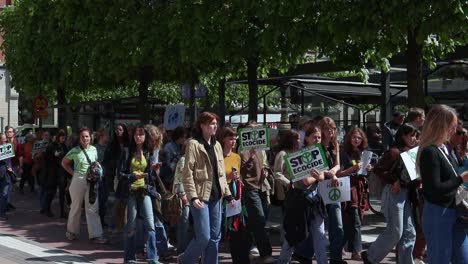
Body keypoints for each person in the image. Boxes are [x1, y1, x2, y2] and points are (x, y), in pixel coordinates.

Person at [179, 112, 234, 264]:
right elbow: (187, 173)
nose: (215, 126)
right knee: (204, 236)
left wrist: (228, 195)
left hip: (216, 197)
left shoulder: (217, 145)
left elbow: (221, 174)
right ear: (202, 126)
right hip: (201, 197)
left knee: (215, 237)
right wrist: (193, 196)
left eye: (216, 123)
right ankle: (185, 260)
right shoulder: (193, 144)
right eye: (211, 123)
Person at [416, 105, 468, 263]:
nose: (454, 129)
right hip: (439, 213)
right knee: (441, 259)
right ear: (441, 125)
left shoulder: (444, 149)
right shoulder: (430, 152)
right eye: (452, 126)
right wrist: (461, 178)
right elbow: (435, 189)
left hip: (455, 212)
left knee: (462, 257)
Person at [362, 123, 419, 264]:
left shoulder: (413, 152)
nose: (414, 138)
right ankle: (370, 256)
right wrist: (394, 180)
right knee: (396, 231)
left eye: (415, 135)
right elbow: (378, 169)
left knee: (409, 233)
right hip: (394, 193)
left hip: (406, 194)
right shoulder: (394, 152)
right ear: (403, 135)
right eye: (411, 135)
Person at [278, 126, 328, 264]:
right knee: (295, 234)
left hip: (315, 199)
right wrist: (317, 177)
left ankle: (322, 261)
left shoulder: (319, 153)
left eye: (319, 137)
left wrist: (319, 176)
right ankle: (283, 260)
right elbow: (305, 181)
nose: (317, 140)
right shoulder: (297, 155)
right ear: (306, 138)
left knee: (320, 234)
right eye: (314, 137)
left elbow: (323, 174)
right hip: (300, 200)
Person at [117, 124, 161, 264]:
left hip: (145, 191)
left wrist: (153, 170)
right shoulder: (126, 151)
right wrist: (133, 177)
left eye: (141, 134)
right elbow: (120, 174)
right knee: (131, 225)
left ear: (145, 136)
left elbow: (151, 177)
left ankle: (152, 257)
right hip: (131, 191)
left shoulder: (149, 152)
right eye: (136, 134)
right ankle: (130, 258)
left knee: (150, 223)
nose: (138, 137)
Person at [61, 127, 107, 243]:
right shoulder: (75, 150)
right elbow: (64, 163)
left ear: (90, 137)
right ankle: (71, 232)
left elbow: (95, 163)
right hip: (79, 179)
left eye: (87, 136)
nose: (85, 138)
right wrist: (73, 174)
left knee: (92, 207)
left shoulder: (94, 149)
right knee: (76, 207)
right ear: (79, 138)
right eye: (82, 136)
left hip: (92, 181)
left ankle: (96, 235)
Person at [238, 123, 275, 264]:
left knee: (252, 223)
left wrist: (265, 170)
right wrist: (250, 157)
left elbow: (264, 164)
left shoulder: (262, 148)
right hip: (249, 188)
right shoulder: (242, 148)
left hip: (259, 188)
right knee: (259, 220)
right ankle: (266, 254)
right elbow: (240, 169)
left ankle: (243, 253)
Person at [337, 128, 371, 261]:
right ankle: (356, 251)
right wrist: (352, 169)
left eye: (359, 138)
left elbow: (364, 172)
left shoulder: (363, 153)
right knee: (354, 219)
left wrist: (368, 169)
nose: (356, 140)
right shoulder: (344, 153)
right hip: (348, 188)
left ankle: (340, 245)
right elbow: (339, 173)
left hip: (360, 188)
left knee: (354, 219)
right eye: (354, 137)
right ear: (349, 139)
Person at [317, 117, 344, 264]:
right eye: (327, 128)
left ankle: (336, 257)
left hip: (333, 185)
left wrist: (333, 171)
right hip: (319, 185)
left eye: (333, 128)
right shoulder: (317, 145)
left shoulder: (335, 144)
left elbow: (338, 164)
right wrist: (328, 173)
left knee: (337, 223)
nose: (331, 131)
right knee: (318, 224)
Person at [42, 129, 68, 218]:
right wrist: (54, 155)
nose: (63, 139)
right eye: (62, 137)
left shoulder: (64, 146)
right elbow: (47, 157)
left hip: (61, 171)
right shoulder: (52, 145)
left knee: (62, 193)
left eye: (64, 137)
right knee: (51, 191)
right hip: (52, 171)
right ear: (58, 137)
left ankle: (62, 212)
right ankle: (47, 209)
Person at [0, 132, 14, 220]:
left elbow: (9, 160)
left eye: (5, 138)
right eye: (3, 138)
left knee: (4, 193)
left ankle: (2, 213)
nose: (5, 139)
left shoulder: (9, 146)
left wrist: (10, 167)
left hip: (6, 175)